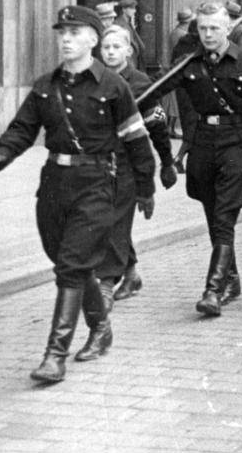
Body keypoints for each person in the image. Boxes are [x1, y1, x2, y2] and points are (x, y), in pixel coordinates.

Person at [0, 5, 155, 383]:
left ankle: (55, 355)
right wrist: (2, 154)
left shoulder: (114, 87)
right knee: (65, 259)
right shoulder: (46, 85)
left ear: (93, 39)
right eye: (62, 32)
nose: (66, 39)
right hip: (53, 186)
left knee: (72, 264)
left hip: (97, 185)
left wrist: (146, 188)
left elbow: (137, 141)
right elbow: (23, 127)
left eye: (75, 33)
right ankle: (101, 328)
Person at [147, 2, 242, 317]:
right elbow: (154, 89)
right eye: (202, 28)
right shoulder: (187, 64)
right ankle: (231, 278)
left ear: (228, 29)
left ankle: (213, 289)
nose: (207, 34)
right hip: (203, 145)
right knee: (213, 215)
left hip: (236, 144)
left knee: (223, 216)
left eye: (214, 28)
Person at [95, 25, 178, 305]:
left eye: (116, 47)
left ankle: (106, 282)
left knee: (114, 221)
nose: (110, 52)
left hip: (129, 166)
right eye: (106, 47)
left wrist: (167, 163)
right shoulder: (93, 80)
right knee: (106, 221)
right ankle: (131, 274)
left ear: (129, 51)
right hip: (99, 165)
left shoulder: (141, 84)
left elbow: (157, 126)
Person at [164, 8, 195, 140]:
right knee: (174, 103)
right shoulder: (182, 35)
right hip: (178, 70)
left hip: (173, 68)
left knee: (173, 102)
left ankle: (170, 128)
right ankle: (169, 128)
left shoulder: (175, 32)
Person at [115, 0, 147, 70]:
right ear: (124, 10)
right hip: (126, 64)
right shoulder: (118, 24)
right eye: (132, 8)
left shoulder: (128, 23)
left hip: (134, 62)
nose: (134, 11)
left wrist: (133, 28)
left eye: (134, 8)